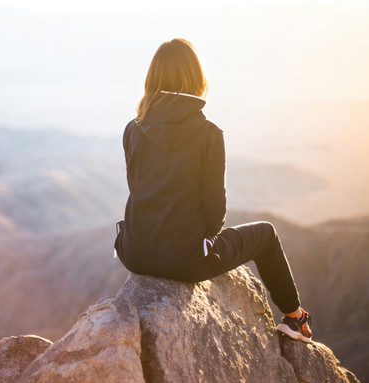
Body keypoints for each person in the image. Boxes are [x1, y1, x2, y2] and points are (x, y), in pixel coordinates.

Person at [114, 38, 312, 342]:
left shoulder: (132, 128)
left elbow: (139, 189)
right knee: (267, 234)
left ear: (152, 79)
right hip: (186, 260)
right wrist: (200, 243)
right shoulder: (208, 134)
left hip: (133, 252)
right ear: (196, 79)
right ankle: (294, 317)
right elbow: (215, 212)